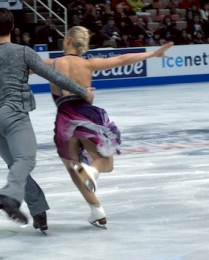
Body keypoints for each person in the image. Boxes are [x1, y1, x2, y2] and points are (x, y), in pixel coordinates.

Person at [0, 9, 93, 234]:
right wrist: (82, 92)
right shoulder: (23, 52)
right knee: (25, 159)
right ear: (13, 27)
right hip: (14, 115)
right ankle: (8, 197)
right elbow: (54, 76)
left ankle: (39, 212)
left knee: (19, 166)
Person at [42, 26, 173, 227]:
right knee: (105, 164)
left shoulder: (50, 64)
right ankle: (92, 172)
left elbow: (21, 66)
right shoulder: (89, 64)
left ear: (67, 40)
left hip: (64, 120)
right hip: (86, 116)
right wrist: (153, 53)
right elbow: (122, 59)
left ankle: (96, 209)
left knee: (72, 166)